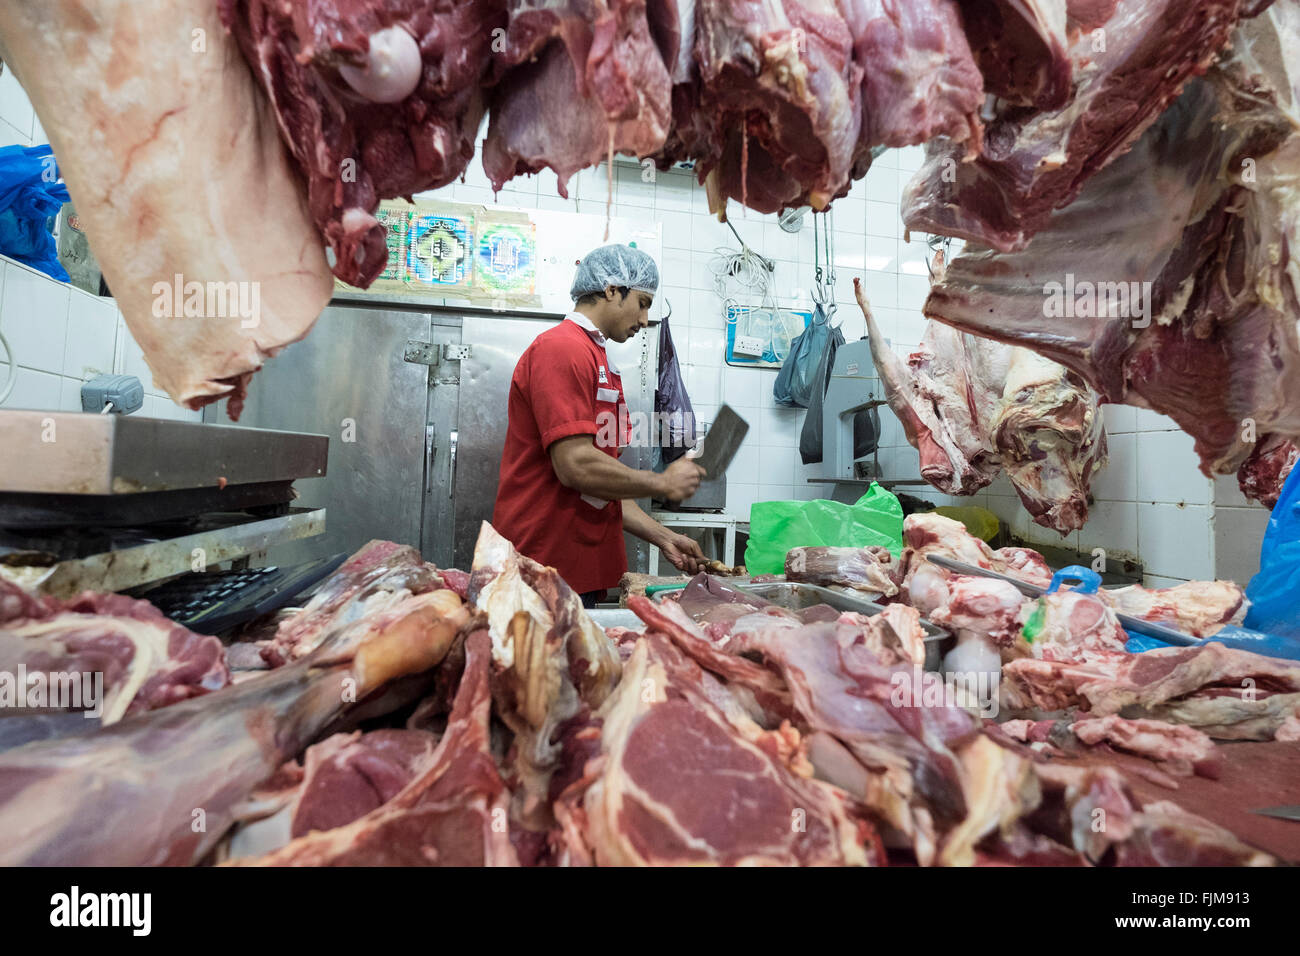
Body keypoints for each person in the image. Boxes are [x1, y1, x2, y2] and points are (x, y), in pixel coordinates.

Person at [492, 244, 708, 607]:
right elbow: (575, 465)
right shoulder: (562, 349)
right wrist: (661, 482)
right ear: (611, 290)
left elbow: (597, 489)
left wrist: (663, 536)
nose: (644, 320)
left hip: (577, 564)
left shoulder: (594, 354)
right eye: (642, 303)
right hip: (544, 565)